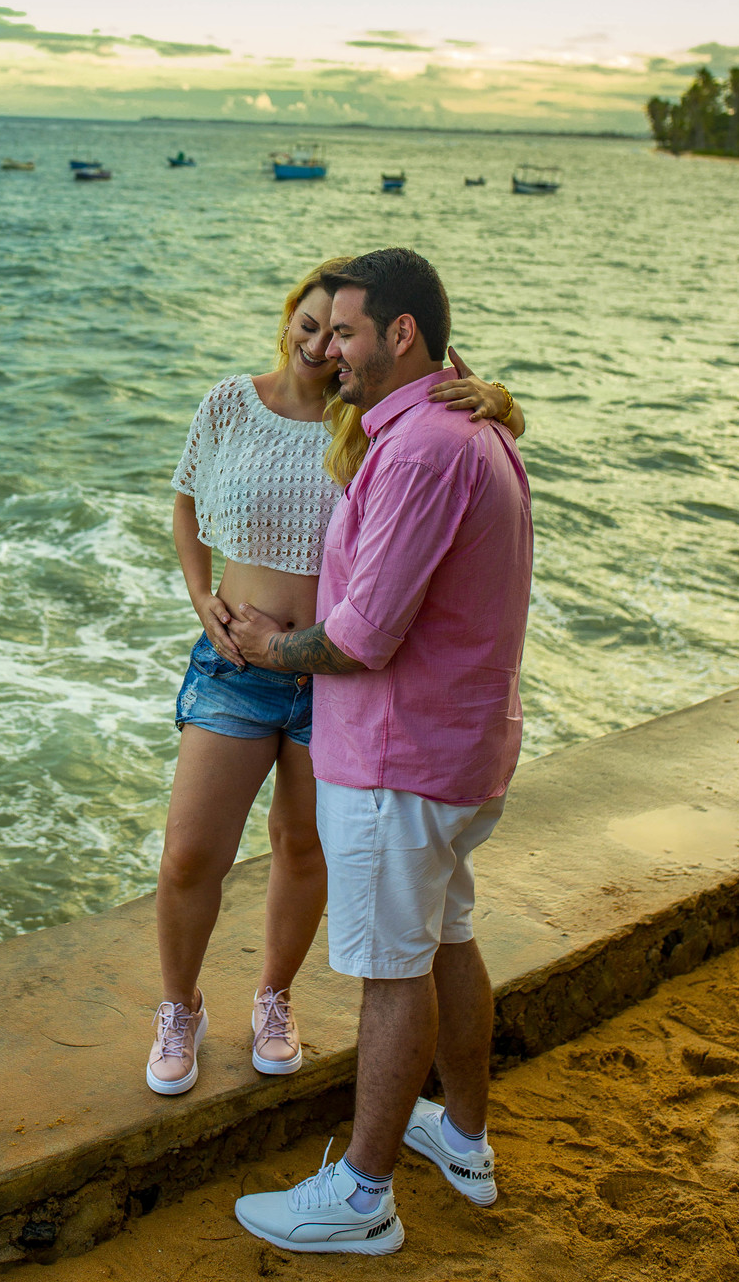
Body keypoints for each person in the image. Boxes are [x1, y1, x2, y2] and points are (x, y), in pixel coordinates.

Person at [148, 257, 524, 1098]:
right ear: (288, 320)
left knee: (302, 845)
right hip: (239, 664)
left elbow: (453, 399)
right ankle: (178, 1006)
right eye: (309, 325)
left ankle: (274, 999)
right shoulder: (228, 403)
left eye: (338, 329)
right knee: (187, 855)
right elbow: (183, 497)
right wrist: (201, 594)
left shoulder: (365, 414)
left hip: (339, 679)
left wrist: (496, 396)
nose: (321, 345)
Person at [228, 247, 533, 1256]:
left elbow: (362, 635)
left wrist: (274, 648)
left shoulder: (423, 451)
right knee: (443, 940)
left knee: (392, 968)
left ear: (401, 334)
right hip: (451, 751)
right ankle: (466, 1139)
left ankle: (363, 1197)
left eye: (348, 334)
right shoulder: (457, 428)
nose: (330, 357)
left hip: (400, 762)